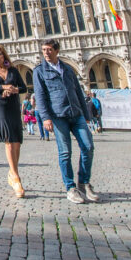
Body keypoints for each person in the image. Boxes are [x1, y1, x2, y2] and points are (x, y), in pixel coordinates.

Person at [33, 38, 99, 204]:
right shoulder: (39, 71)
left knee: (88, 146)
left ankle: (84, 183)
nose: (46, 53)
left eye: (49, 49)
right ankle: (70, 187)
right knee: (65, 152)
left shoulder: (67, 69)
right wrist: (45, 117)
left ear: (56, 50)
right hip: (57, 115)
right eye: (44, 50)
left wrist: (86, 114)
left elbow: (77, 91)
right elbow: (40, 96)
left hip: (76, 113)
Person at [0, 44, 28, 198]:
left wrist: (14, 89)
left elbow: (23, 87)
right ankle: (15, 177)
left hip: (13, 105)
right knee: (8, 140)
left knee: (16, 142)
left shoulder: (13, 70)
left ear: (4, 56)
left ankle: (12, 171)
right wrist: (3, 87)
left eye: (0, 54)